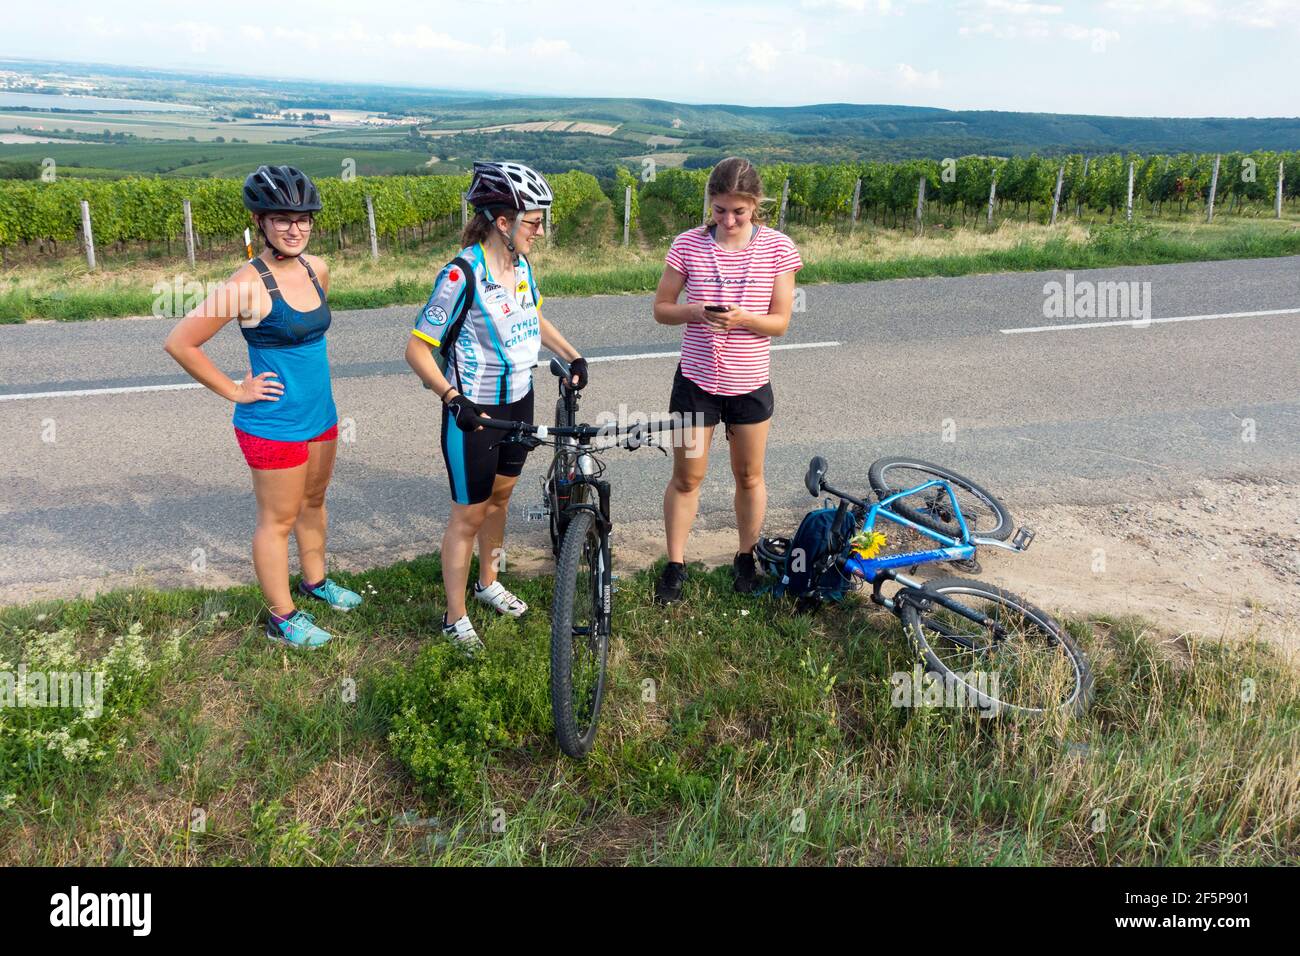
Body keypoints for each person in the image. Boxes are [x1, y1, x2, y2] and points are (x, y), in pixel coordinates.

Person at [164, 164, 360, 649]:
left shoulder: (319, 270)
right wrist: (235, 390)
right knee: (278, 520)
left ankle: (315, 582)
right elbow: (181, 342)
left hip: (321, 414)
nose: (295, 229)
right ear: (261, 223)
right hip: (272, 423)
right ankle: (282, 618)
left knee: (314, 503)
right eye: (281, 219)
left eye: (303, 219)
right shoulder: (247, 283)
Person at [405, 161, 588, 655]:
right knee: (468, 514)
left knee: (500, 501)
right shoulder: (460, 274)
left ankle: (488, 581)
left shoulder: (521, 266)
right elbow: (417, 350)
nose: (541, 231)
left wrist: (571, 355)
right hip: (474, 413)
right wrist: (451, 397)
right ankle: (454, 615)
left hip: (519, 402)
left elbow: (534, 319)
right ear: (503, 223)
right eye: (533, 221)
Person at [651, 156, 803, 604]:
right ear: (710, 203)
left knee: (750, 476)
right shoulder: (688, 245)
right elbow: (661, 309)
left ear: (756, 204)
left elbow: (780, 323)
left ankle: (745, 557)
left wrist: (741, 319)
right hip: (696, 383)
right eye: (720, 210)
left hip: (750, 384)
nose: (729, 220)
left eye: (740, 211)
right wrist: (696, 311)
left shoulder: (778, 248)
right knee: (686, 477)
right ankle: (675, 564)